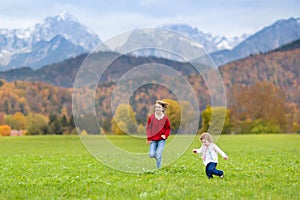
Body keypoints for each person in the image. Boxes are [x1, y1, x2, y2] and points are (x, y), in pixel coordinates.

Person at [146, 100, 171, 168]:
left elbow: (168, 128)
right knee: (151, 154)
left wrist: (165, 135)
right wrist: (149, 138)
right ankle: (157, 156)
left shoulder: (165, 118)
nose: (157, 109)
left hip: (161, 140)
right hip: (153, 139)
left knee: (159, 154)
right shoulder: (152, 117)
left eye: (159, 107)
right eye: (156, 107)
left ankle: (158, 169)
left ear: (162, 109)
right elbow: (148, 128)